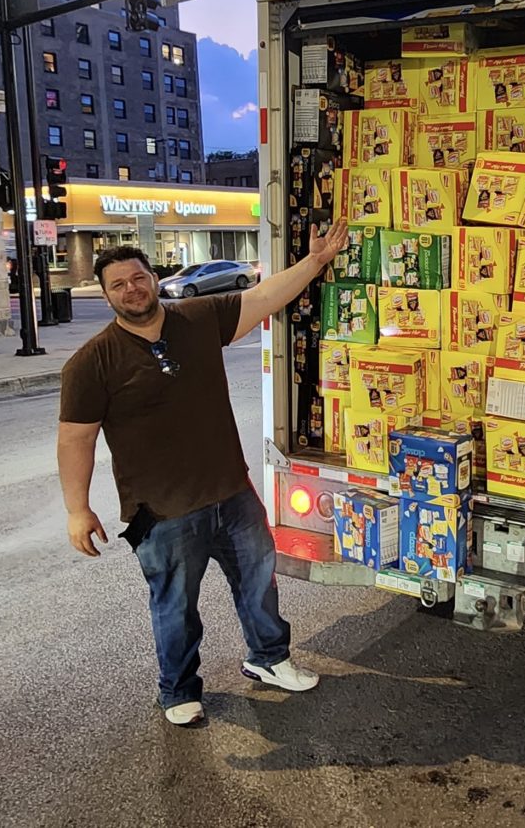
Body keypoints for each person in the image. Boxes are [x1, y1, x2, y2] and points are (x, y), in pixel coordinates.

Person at [57, 219, 349, 726]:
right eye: (118, 285)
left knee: (260, 586)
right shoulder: (91, 363)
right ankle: (177, 691)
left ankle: (269, 659)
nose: (132, 289)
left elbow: (263, 299)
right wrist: (77, 509)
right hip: (163, 512)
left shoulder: (197, 318)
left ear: (154, 277)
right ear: (106, 296)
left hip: (232, 494)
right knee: (175, 609)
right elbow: (75, 440)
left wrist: (316, 261)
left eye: (138, 277)